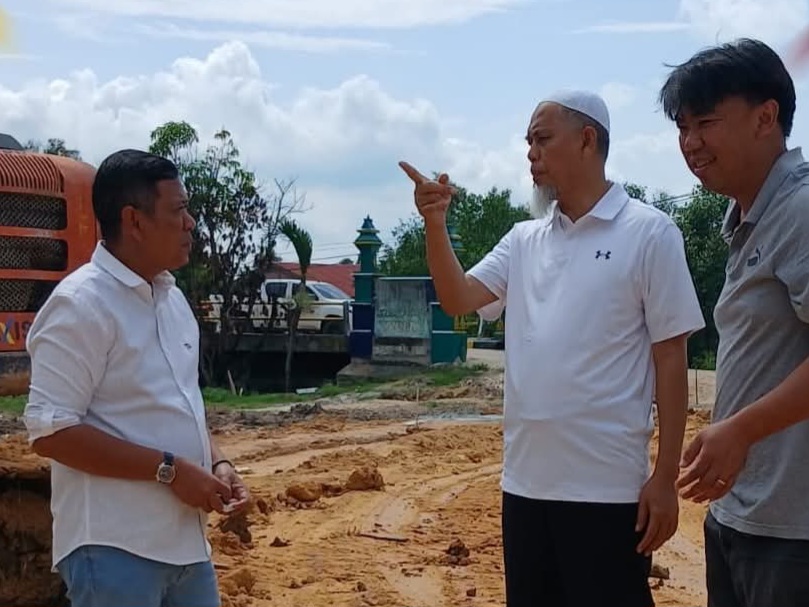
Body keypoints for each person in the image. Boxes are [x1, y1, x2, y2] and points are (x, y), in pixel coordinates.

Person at [399, 90, 705, 607]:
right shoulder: (523, 241)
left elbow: (670, 360)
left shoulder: (649, 233)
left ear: (588, 140)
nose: (531, 154)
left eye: (542, 139)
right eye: (528, 142)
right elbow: (456, 298)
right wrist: (435, 224)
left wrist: (664, 478)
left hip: (607, 493)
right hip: (525, 487)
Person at [23, 149, 249, 607]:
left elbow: (179, 402)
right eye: (178, 210)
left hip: (187, 549)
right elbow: (51, 431)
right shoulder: (82, 305)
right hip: (115, 551)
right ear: (135, 221)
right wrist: (169, 470)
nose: (190, 224)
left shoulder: (170, 298)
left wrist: (217, 462)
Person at [660, 38, 809, 607]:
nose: (690, 144)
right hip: (746, 516)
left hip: (792, 535)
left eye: (706, 123)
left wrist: (742, 429)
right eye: (682, 129)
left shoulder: (797, 208)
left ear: (765, 117)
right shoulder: (749, 217)